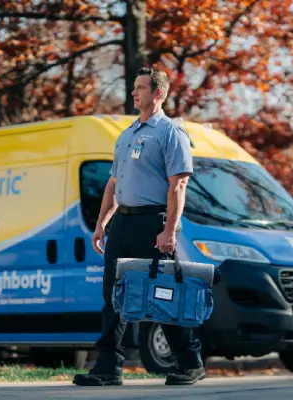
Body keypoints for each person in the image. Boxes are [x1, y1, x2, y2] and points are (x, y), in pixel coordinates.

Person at [72, 67, 204, 387]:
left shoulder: (170, 133)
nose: (134, 93)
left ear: (157, 93)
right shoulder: (127, 134)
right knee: (113, 297)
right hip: (123, 224)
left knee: (163, 295)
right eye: (133, 88)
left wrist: (169, 231)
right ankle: (107, 367)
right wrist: (102, 224)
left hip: (153, 223)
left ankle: (190, 362)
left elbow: (178, 186)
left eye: (141, 88)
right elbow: (113, 184)